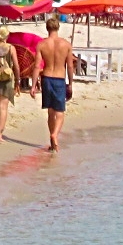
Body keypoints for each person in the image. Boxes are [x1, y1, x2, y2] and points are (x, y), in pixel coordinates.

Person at [33, 14, 75, 150]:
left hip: (46, 79)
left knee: (50, 112)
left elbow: (37, 66)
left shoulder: (41, 44)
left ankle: (52, 141)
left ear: (47, 28)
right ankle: (55, 135)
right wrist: (71, 83)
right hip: (59, 79)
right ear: (58, 27)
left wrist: (33, 85)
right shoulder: (66, 44)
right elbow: (70, 66)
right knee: (60, 112)